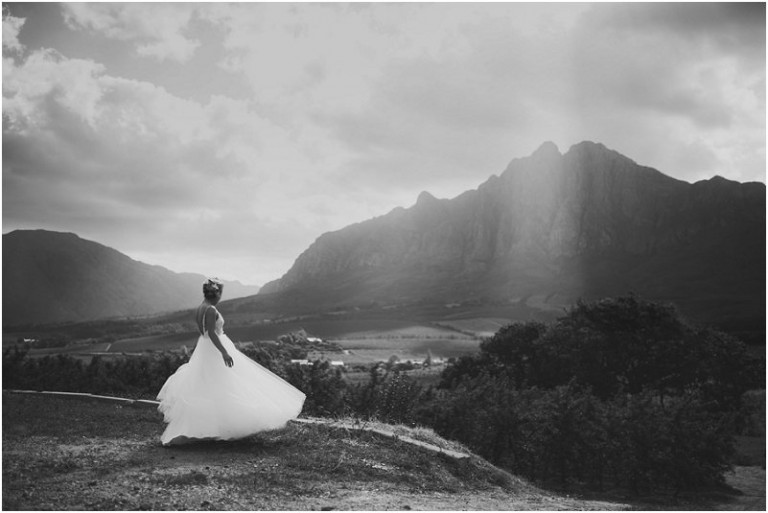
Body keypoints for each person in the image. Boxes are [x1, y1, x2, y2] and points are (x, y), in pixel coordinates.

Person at [157, 277, 306, 446]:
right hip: (214, 348)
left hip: (204, 347)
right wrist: (224, 352)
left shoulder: (200, 308)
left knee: (208, 384)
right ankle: (229, 424)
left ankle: (208, 427)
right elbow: (211, 333)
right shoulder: (210, 309)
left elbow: (204, 332)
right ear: (217, 293)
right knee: (228, 383)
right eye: (220, 293)